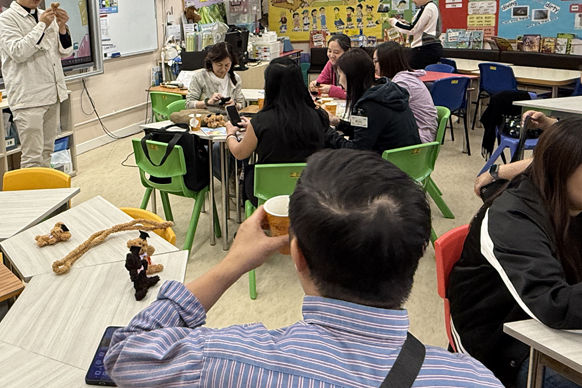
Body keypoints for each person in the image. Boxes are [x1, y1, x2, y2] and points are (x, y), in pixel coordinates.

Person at [104, 150, 504, 388]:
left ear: (297, 256)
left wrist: (231, 264)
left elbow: (123, 353)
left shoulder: (228, 361)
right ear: (418, 252)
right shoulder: (473, 380)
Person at [449, 116, 582, 388]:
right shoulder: (512, 217)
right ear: (561, 166)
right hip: (497, 339)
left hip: (553, 320)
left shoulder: (569, 197)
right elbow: (552, 303)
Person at [0, 0, 73, 168]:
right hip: (28, 98)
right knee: (32, 157)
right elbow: (18, 51)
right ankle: (33, 190)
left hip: (52, 93)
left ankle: (47, 189)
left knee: (47, 152)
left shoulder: (44, 15)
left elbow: (64, 51)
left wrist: (62, 27)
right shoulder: (6, 19)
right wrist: (42, 25)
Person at [224, 57, 330, 205]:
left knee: (249, 172)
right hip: (309, 191)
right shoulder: (318, 116)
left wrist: (230, 133)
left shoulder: (261, 121)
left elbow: (240, 153)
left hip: (267, 193)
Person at [324, 48, 421, 153]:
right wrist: (338, 123)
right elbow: (365, 130)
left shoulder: (369, 105)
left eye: (340, 75)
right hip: (411, 157)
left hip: (387, 161)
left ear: (352, 76)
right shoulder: (385, 91)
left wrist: (326, 131)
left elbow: (357, 150)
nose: (339, 81)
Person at [374, 41, 438, 143]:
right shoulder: (403, 77)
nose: (374, 65)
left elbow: (387, 111)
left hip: (420, 137)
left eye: (375, 61)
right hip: (418, 131)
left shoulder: (402, 82)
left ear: (387, 61)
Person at [391, 0, 443, 69]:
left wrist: (394, 22)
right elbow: (419, 26)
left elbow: (412, 29)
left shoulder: (427, 8)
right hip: (430, 48)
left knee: (411, 73)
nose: (413, 0)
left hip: (424, 49)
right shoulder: (431, 7)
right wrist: (406, 23)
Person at [185, 42, 245, 114]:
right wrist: (208, 102)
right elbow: (189, 104)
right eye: (219, 65)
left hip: (228, 118)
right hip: (206, 118)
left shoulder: (235, 78)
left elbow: (242, 104)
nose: (223, 69)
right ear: (211, 61)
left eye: (227, 65)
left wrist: (234, 105)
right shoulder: (200, 77)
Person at [308, 33, 349, 99]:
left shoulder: (354, 66)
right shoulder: (330, 64)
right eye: (329, 51)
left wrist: (331, 90)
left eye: (336, 52)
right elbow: (321, 81)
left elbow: (355, 94)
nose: (332, 55)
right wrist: (315, 87)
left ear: (347, 51)